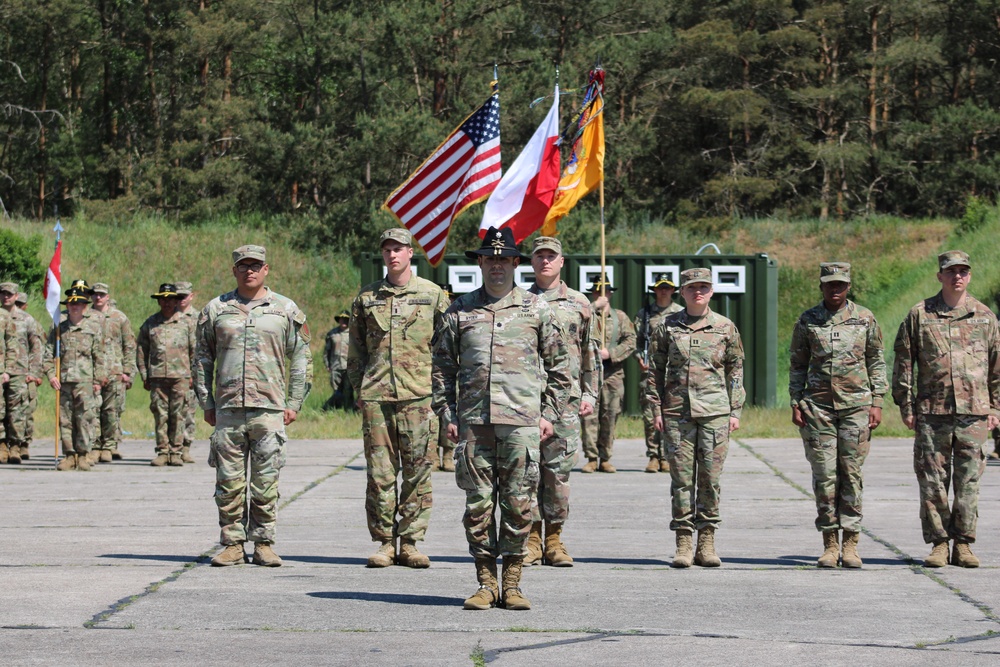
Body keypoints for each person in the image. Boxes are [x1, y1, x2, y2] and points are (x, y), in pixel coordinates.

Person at [432, 226, 571, 611]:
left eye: (503, 259)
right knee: (478, 506)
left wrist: (549, 415)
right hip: (474, 425)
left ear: (514, 263)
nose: (496, 266)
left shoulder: (536, 309)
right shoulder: (459, 310)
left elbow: (561, 368)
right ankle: (485, 583)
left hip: (522, 425)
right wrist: (447, 413)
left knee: (518, 504)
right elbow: (442, 368)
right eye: (489, 259)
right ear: (480, 262)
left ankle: (512, 584)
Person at [195, 245, 310, 567]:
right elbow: (202, 359)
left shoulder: (285, 309)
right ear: (234, 270)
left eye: (255, 266)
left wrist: (295, 402)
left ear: (266, 269)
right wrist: (207, 402)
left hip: (270, 410)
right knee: (228, 483)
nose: (250, 271)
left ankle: (263, 543)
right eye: (243, 266)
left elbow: (301, 358)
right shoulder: (216, 309)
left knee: (265, 482)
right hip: (228, 410)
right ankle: (232, 544)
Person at [892, 250, 1000, 568]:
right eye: (951, 271)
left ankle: (963, 544)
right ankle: (939, 543)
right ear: (939, 275)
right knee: (932, 480)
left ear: (969, 275)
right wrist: (905, 404)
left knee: (968, 480)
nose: (957, 277)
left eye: (963, 271)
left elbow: (997, 367)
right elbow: (903, 361)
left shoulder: (984, 316)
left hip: (975, 412)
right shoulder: (920, 314)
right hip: (931, 411)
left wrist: (996, 407)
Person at [348, 228, 447, 569]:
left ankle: (412, 542)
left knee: (418, 471)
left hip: (419, 397)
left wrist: (442, 392)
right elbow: (356, 350)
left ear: (410, 254)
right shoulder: (366, 298)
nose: (393, 255)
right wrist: (358, 390)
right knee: (380, 474)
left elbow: (446, 349)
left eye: (399, 249)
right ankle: (385, 542)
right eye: (388, 249)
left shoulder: (433, 295)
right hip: (376, 397)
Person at [789, 262, 886, 568]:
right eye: (830, 284)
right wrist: (795, 400)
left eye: (840, 284)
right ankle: (830, 543)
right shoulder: (809, 320)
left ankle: (851, 543)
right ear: (821, 286)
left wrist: (878, 401)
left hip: (856, 407)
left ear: (848, 286)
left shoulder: (865, 318)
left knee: (852, 475)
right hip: (818, 409)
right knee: (825, 476)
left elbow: (876, 360)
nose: (835, 289)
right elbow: (797, 364)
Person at [647, 267, 745, 568]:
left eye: (703, 287)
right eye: (692, 288)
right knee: (681, 480)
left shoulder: (725, 327)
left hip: (715, 412)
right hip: (677, 413)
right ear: (683, 292)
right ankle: (684, 541)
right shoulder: (667, 326)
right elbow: (654, 371)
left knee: (710, 479)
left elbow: (735, 370)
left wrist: (735, 410)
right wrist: (657, 410)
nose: (698, 292)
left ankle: (707, 540)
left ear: (711, 292)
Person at [525, 236, 599, 566]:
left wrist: (590, 393)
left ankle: (554, 539)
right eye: (539, 255)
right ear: (531, 261)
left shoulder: (580, 304)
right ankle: (530, 539)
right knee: (526, 472)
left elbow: (589, 353)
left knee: (558, 472)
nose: (545, 261)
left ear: (561, 261)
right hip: (525, 400)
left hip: (565, 402)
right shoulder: (519, 301)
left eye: (551, 256)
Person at [43, 283, 108, 471]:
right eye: (71, 304)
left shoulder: (92, 328)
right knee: (65, 419)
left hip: (85, 381)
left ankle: (83, 454)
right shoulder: (58, 330)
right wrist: (50, 376)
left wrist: (98, 381)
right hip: (63, 382)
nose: (74, 307)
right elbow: (48, 356)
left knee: (85, 418)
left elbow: (100, 356)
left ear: (84, 306)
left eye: (78, 303)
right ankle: (69, 455)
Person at [137, 283, 196, 467]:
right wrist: (145, 375)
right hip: (157, 378)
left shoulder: (186, 323)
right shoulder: (150, 323)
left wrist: (194, 375)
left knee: (179, 415)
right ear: (159, 301)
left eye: (171, 299)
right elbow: (141, 351)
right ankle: (162, 451)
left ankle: (177, 451)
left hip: (181, 377)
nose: (167, 303)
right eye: (164, 299)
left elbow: (195, 351)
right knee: (160, 415)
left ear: (176, 301)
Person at [581, 280, 635, 473]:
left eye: (603, 291)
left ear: (610, 293)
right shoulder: (587, 314)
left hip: (613, 373)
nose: (600, 295)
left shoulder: (619, 317)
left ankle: (605, 457)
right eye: (596, 292)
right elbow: (574, 326)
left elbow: (631, 341)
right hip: (590, 373)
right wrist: (594, 306)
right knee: (589, 416)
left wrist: (611, 353)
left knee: (610, 415)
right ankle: (591, 457)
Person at [635, 274, 683, 473]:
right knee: (650, 415)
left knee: (673, 415)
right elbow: (636, 341)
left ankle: (668, 456)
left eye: (667, 287)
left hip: (673, 373)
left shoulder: (680, 312)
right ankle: (654, 455)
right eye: (660, 287)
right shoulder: (644, 314)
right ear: (655, 290)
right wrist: (639, 357)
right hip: (652, 370)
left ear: (673, 290)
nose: (664, 291)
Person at [89, 282, 136, 463]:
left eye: (101, 294)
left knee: (111, 412)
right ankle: (94, 445)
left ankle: (108, 446)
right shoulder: (87, 316)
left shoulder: (119, 317)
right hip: (93, 373)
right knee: (93, 411)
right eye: (95, 294)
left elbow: (129, 345)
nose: (98, 297)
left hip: (114, 372)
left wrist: (128, 372)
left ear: (107, 296)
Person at [1, 282, 40, 464]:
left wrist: (34, 371)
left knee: (17, 411)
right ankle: (2, 445)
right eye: (3, 294)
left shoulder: (27, 319)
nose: (6, 297)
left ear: (16, 296)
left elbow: (36, 347)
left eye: (9, 294)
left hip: (20, 371)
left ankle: (16, 445)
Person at [15, 292, 43, 458]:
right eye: (15, 303)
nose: (17, 307)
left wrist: (36, 372)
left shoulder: (30, 322)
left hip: (26, 373)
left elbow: (39, 347)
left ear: (25, 306)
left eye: (20, 304)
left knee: (26, 410)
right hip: (7, 372)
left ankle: (24, 443)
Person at [175, 281, 199, 463]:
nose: (181, 300)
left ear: (191, 296)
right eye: (178, 296)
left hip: (192, 373)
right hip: (173, 373)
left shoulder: (198, 318)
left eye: (184, 296)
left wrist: (196, 374)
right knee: (171, 413)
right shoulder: (169, 316)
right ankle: (171, 447)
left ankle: (185, 446)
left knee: (189, 411)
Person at [0, 289, 18, 464]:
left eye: (8, 294)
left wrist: (8, 370)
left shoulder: (4, 317)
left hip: (1, 370)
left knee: (7, 409)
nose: (4, 297)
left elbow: (12, 346)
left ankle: (7, 445)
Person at [323, 311, 351, 410]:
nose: (344, 321)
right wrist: (327, 365)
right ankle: (335, 409)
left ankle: (349, 410)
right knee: (336, 391)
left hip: (349, 367)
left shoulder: (354, 333)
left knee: (348, 391)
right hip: (335, 366)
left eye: (346, 319)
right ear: (339, 320)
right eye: (342, 319)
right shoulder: (332, 334)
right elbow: (327, 351)